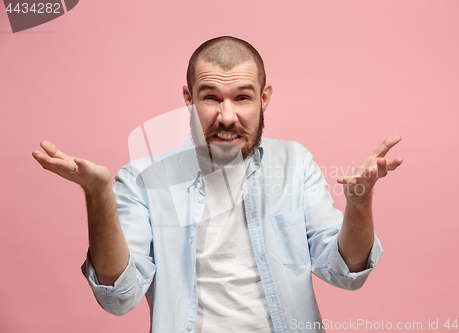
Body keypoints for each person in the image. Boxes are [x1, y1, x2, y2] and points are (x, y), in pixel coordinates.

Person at [32, 36, 403, 333]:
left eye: (242, 97)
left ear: (264, 98)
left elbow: (346, 271)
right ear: (188, 99)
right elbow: (120, 297)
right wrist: (98, 196)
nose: (227, 116)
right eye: (211, 97)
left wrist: (359, 202)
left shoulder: (294, 163)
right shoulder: (143, 180)